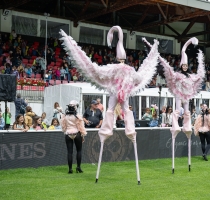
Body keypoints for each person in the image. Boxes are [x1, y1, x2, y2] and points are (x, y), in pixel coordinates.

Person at [60, 26, 159, 183]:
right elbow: (139, 77)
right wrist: (152, 52)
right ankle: (123, 131)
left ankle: (115, 131)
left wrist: (152, 52)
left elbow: (98, 71)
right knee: (119, 109)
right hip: (119, 93)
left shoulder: (119, 69)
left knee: (115, 109)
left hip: (118, 93)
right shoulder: (128, 70)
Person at [143, 37, 204, 139]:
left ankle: (187, 126)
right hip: (179, 94)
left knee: (186, 111)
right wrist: (150, 46)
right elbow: (167, 68)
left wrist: (200, 60)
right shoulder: (177, 74)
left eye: (186, 66)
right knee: (177, 109)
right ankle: (175, 126)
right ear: (181, 66)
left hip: (186, 95)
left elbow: (199, 77)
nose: (184, 67)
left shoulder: (190, 76)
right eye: (183, 65)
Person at [61, 100, 87, 174]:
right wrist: (82, 135)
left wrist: (66, 131)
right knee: (79, 151)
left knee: (70, 152)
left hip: (68, 134)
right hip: (76, 133)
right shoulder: (78, 116)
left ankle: (70, 169)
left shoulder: (65, 116)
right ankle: (78, 167)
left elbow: (63, 126)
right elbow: (81, 127)